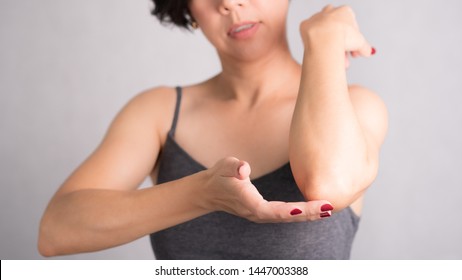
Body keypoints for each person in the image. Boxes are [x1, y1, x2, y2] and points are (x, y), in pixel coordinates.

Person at [38, 0, 388, 259]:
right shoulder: (158, 113)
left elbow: (329, 183)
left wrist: (323, 42)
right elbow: (56, 230)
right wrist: (201, 194)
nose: (229, 3)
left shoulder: (357, 107)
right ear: (187, 10)